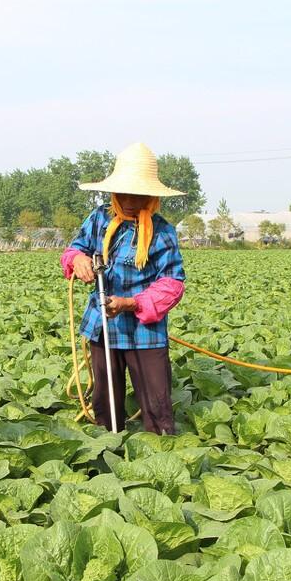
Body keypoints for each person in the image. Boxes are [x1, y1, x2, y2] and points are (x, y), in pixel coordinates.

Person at [61, 143, 186, 434]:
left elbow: (172, 282)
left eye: (138, 194)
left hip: (145, 331)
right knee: (105, 405)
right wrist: (78, 260)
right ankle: (107, 455)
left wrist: (131, 303)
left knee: (157, 406)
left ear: (151, 196)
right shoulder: (99, 219)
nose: (129, 200)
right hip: (103, 326)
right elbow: (74, 249)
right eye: (124, 192)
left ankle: (162, 452)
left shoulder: (162, 230)